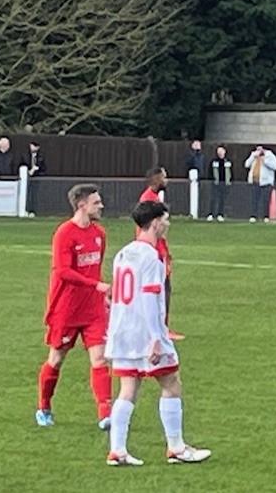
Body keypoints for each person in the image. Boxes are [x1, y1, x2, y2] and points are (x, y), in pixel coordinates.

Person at [103, 199, 211, 466]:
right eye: (165, 219)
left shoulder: (123, 253)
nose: (168, 224)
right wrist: (156, 338)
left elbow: (117, 295)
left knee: (128, 388)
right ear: (154, 223)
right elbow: (150, 299)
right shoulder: (152, 257)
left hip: (122, 331)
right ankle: (176, 447)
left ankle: (117, 450)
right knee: (172, 383)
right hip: (145, 331)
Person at [36, 184, 113, 429]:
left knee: (100, 359)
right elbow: (64, 272)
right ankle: (44, 407)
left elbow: (95, 268)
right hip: (67, 309)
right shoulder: (64, 234)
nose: (101, 206)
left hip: (93, 308)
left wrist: (102, 294)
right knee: (56, 359)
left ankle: (105, 414)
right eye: (96, 202)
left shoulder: (99, 233)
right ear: (82, 205)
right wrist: (96, 285)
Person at [138, 169, 182, 341]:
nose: (166, 180)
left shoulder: (153, 197)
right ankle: (160, 327)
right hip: (154, 249)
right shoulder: (148, 199)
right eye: (163, 176)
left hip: (159, 248)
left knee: (165, 286)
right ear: (155, 179)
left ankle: (162, 326)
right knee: (161, 287)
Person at [245, 145, 276, 222]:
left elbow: (275, 167)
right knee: (254, 199)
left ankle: (265, 216)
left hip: (266, 182)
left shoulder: (270, 156)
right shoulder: (254, 155)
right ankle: (253, 215)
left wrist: (265, 161)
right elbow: (246, 164)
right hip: (255, 181)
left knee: (265, 200)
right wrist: (253, 157)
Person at [206, 145, 233, 222]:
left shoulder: (228, 161)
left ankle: (220, 214)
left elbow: (231, 172)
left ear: (224, 151)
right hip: (216, 183)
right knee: (214, 199)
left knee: (222, 199)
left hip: (225, 183)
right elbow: (210, 172)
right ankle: (211, 214)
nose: (220, 152)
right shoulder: (214, 161)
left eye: (221, 150)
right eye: (218, 151)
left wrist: (229, 181)